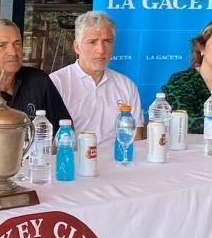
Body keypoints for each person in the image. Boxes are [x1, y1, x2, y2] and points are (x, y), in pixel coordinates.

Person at [49, 11, 143, 144]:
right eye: (92, 42)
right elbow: (47, 142)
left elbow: (136, 140)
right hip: (74, 161)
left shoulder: (126, 85)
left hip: (117, 161)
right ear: (77, 47)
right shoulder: (56, 83)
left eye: (107, 41)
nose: (101, 50)